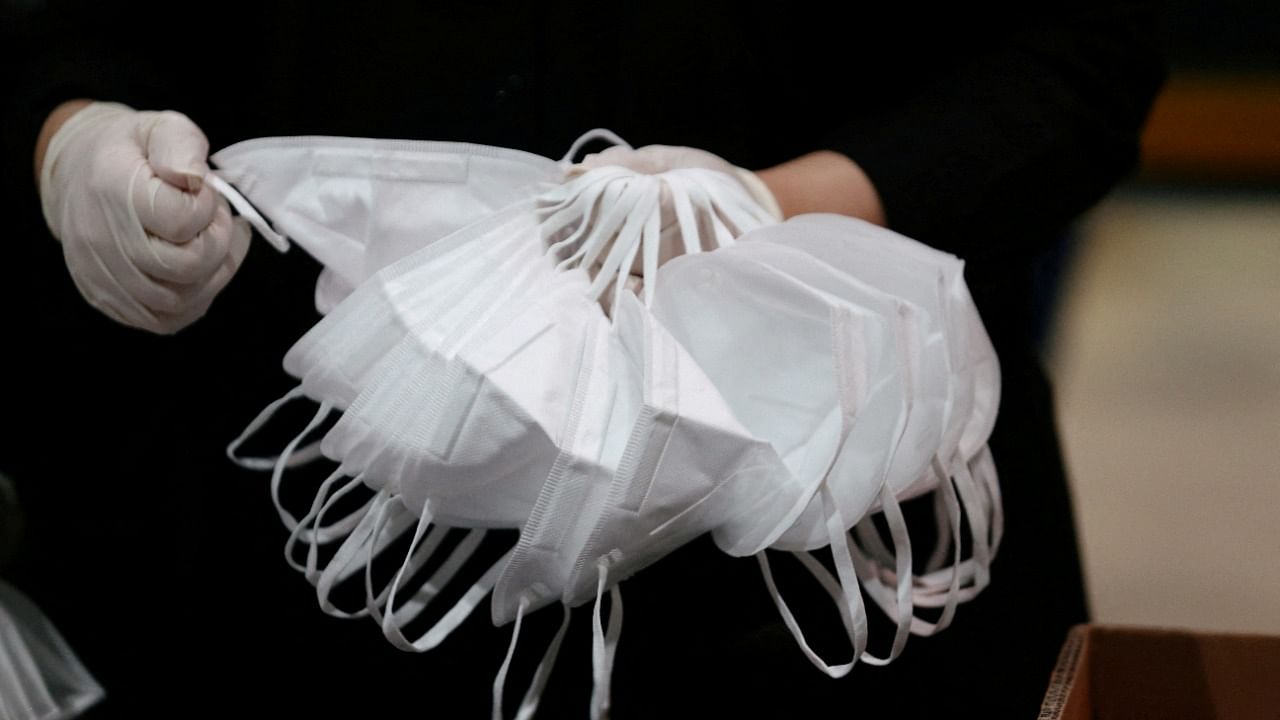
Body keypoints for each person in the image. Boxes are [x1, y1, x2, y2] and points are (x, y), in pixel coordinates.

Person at [3, 1, 1165, 717]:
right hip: (284, 514)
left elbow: (1077, 51)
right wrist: (71, 133)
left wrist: (778, 208)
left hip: (826, 491)